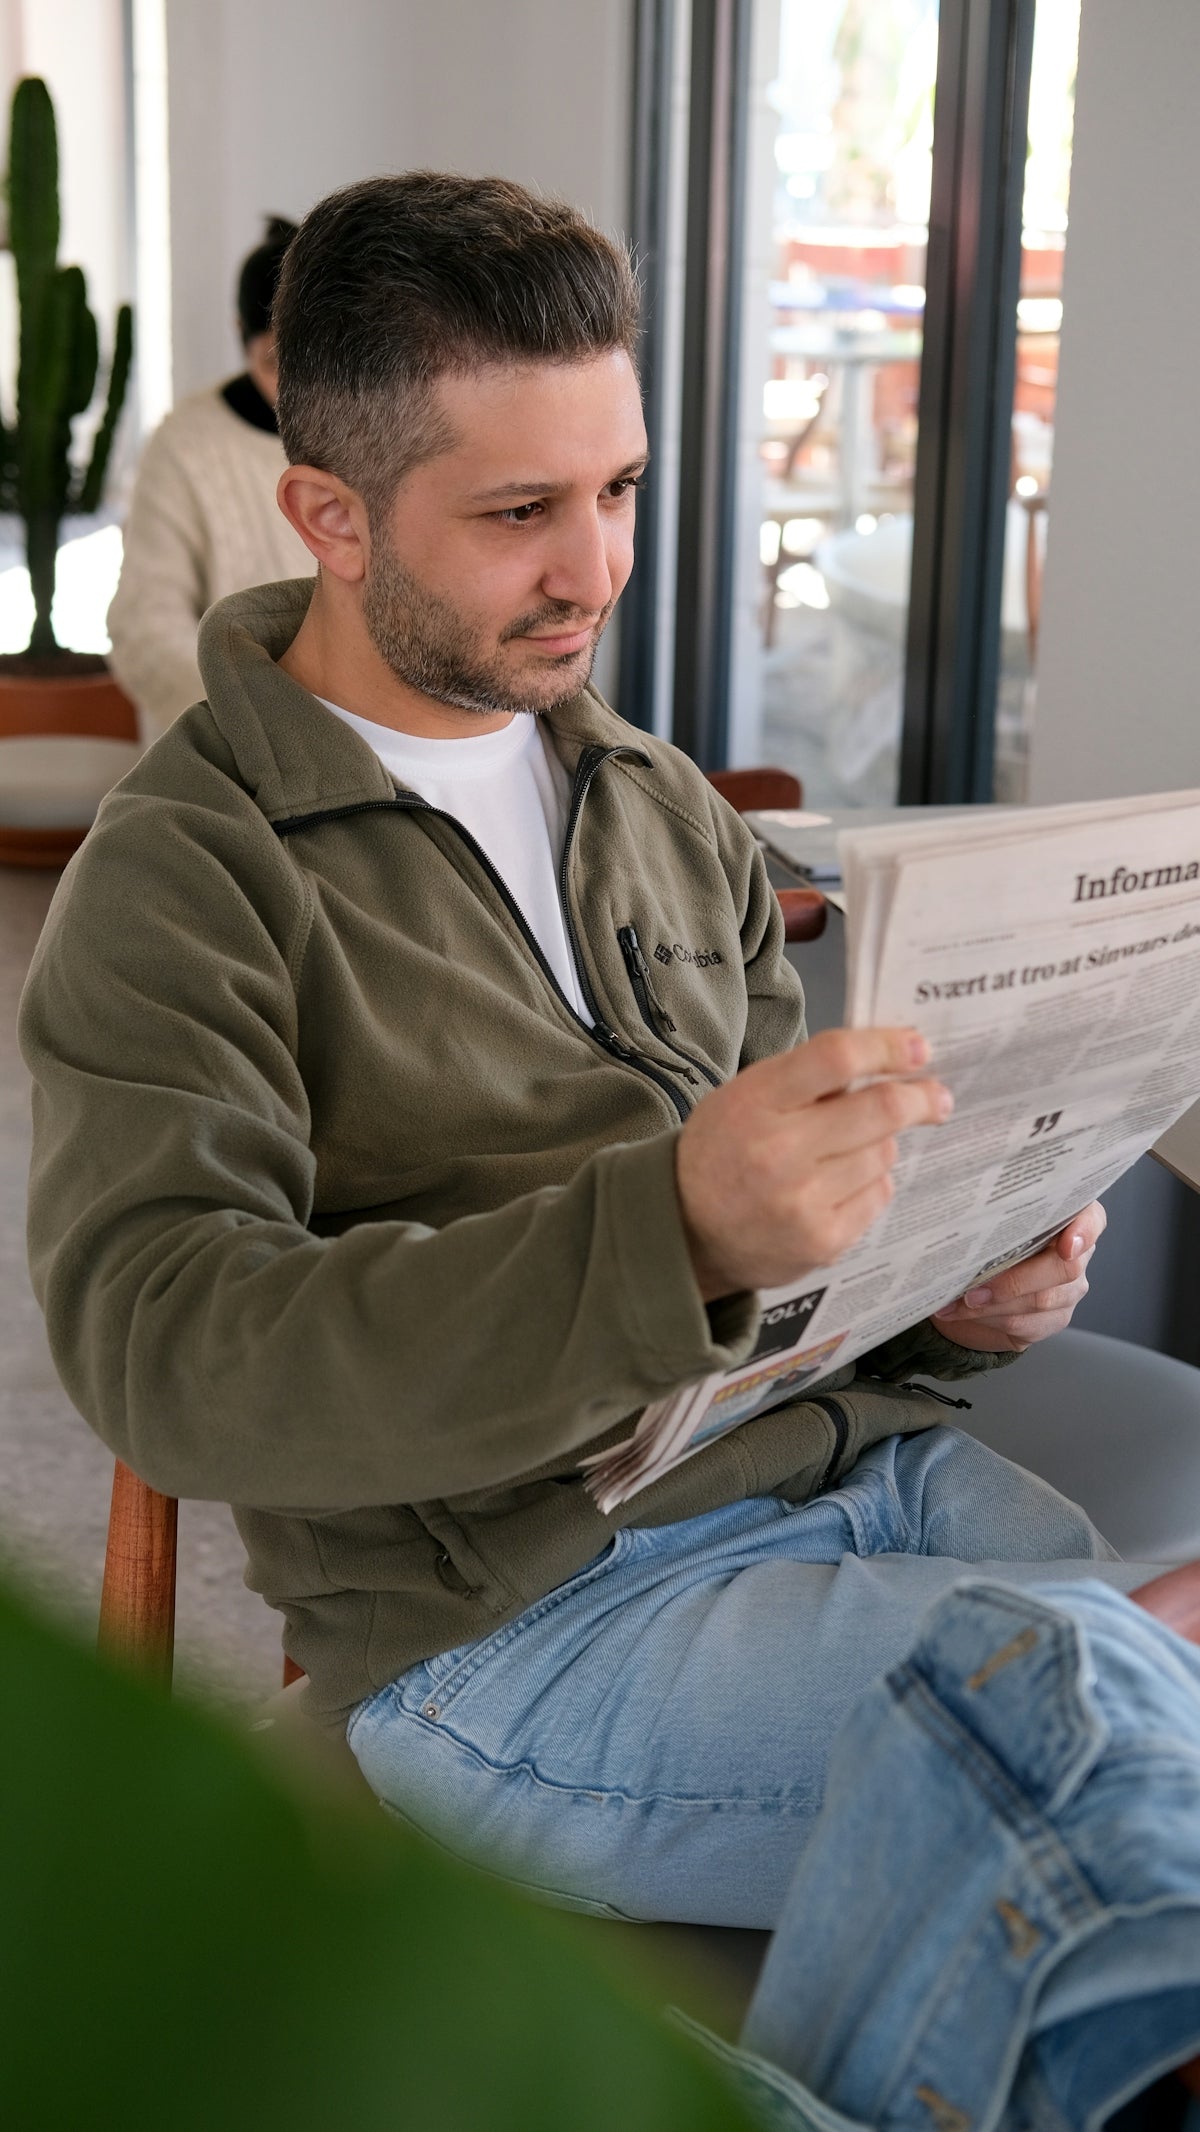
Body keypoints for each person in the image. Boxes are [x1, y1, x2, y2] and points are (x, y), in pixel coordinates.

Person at [20, 175, 1200, 2126]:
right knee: (1101, 1723)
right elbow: (169, 1354)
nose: (598, 568)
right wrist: (667, 1229)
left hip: (855, 1479)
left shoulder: (659, 806)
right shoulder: (187, 880)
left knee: (1128, 1743)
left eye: (624, 489)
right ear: (330, 514)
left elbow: (792, 1272)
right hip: (513, 1627)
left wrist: (955, 1292)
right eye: (519, 513)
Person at [106, 216, 315, 740]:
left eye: (312, 361)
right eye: (275, 361)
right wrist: (259, 722)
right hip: (223, 745)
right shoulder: (184, 446)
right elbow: (144, 628)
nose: (296, 386)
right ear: (239, 333)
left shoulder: (380, 437)